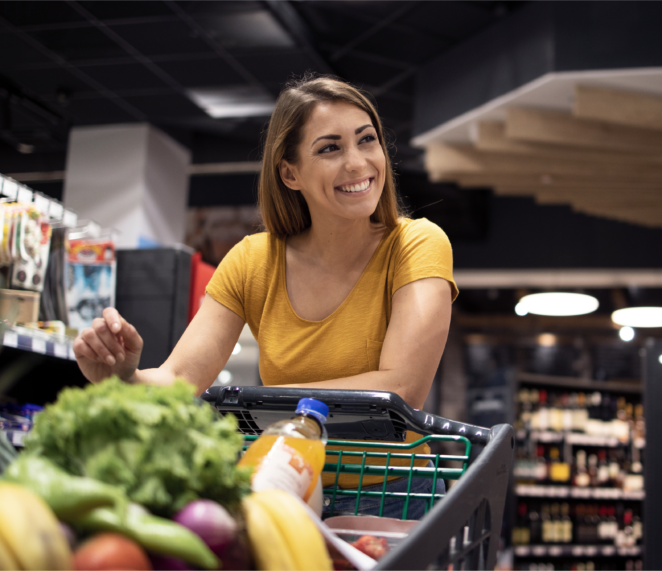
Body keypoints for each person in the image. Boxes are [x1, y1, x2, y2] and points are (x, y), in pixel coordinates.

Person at [74, 76, 458, 519]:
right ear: (289, 173)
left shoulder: (417, 244)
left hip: (395, 494)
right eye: (330, 148)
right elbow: (179, 377)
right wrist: (125, 377)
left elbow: (400, 389)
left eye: (366, 140)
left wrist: (253, 404)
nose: (357, 163)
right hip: (284, 487)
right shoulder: (253, 260)